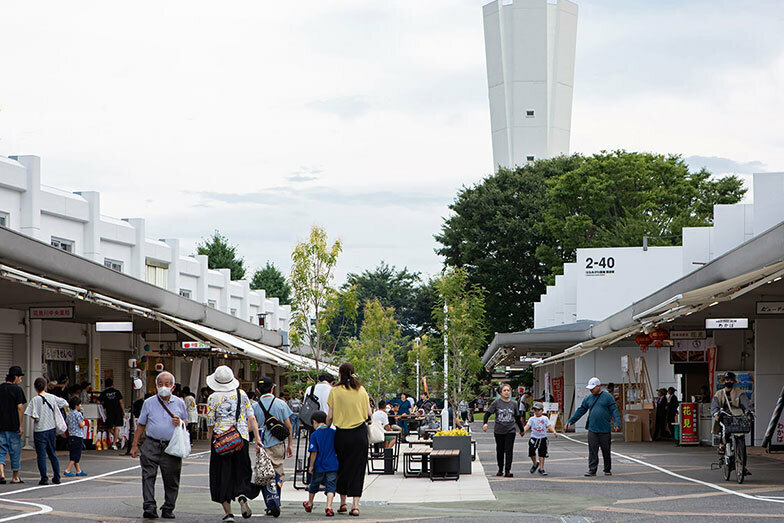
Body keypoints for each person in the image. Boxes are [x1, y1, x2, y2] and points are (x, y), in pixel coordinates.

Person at [206, 366, 262, 522]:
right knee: (242, 471)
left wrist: (212, 439)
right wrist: (257, 438)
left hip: (221, 440)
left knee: (221, 475)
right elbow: (252, 418)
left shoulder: (212, 398)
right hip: (240, 438)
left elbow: (210, 423)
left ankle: (229, 513)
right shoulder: (241, 394)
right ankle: (243, 495)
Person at [130, 371, 188, 519]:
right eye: (160, 384)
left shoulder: (180, 403)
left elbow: (186, 422)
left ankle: (168, 507)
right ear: (156, 386)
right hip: (151, 444)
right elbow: (141, 425)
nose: (163, 387)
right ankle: (149, 506)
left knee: (172, 478)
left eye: (167, 384)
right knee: (148, 476)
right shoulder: (148, 403)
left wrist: (180, 422)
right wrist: (134, 445)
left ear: (173, 387)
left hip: (171, 446)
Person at [326, 362, 371, 517]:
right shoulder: (361, 390)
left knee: (342, 467)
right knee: (358, 469)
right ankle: (356, 506)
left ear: (339, 374)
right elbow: (369, 413)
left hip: (342, 435)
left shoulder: (335, 391)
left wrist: (326, 428)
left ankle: (343, 502)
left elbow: (330, 416)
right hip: (359, 434)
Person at [566, 377, 621, 477]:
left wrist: (617, 423)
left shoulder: (607, 397)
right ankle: (592, 470)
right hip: (592, 428)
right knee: (592, 450)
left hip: (605, 429)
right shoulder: (588, 398)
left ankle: (607, 469)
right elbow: (581, 410)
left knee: (606, 450)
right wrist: (571, 421)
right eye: (590, 388)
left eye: (593, 388)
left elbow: (614, 410)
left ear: (598, 386)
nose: (591, 390)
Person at [253, 377, 294, 498]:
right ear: (272, 388)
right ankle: (277, 499)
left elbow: (250, 426)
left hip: (261, 445)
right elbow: (289, 427)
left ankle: (269, 502)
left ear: (257, 390)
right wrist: (290, 445)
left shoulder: (254, 407)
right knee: (278, 473)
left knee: (264, 473)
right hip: (277, 444)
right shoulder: (281, 404)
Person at [25, 376, 68, 485]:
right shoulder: (52, 397)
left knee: (41, 455)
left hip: (40, 431)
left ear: (35, 388)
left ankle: (44, 479)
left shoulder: (34, 400)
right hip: (51, 429)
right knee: (52, 453)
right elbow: (64, 403)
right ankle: (57, 477)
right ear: (45, 386)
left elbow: (33, 415)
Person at [711, 371, 755, 475]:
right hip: (725, 416)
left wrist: (751, 411)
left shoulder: (739, 392)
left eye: (731, 380)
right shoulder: (719, 393)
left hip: (737, 417)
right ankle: (722, 445)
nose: (729, 381)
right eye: (727, 380)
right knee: (724, 430)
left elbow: (745, 403)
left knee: (741, 440)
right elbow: (715, 405)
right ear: (724, 381)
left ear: (734, 381)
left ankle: (742, 465)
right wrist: (715, 413)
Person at [483, 383, 525, 477]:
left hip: (510, 430)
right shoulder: (496, 403)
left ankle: (507, 471)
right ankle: (500, 469)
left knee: (509, 450)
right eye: (504, 390)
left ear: (510, 392)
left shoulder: (513, 403)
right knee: (500, 450)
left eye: (508, 390)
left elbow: (517, 418)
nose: (506, 392)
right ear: (501, 392)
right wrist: (485, 423)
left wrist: (522, 430)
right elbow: (487, 414)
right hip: (499, 430)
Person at [302, 411, 339, 517]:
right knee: (331, 486)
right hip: (332, 464)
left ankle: (309, 503)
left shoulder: (315, 435)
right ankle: (329, 507)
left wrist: (311, 465)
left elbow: (314, 452)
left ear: (314, 422)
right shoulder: (333, 432)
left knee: (314, 483)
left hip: (319, 465)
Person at [0, 365, 26, 484]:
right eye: (20, 377)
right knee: (15, 451)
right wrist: (20, 425)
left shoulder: (0, 388)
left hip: (1, 426)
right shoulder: (17, 390)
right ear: (15, 377)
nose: (21, 380)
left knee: (1, 450)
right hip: (13, 426)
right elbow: (20, 408)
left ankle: (2, 473)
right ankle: (15, 477)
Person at [522, 402, 557, 476]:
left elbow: (549, 426)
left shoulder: (545, 418)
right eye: (535, 410)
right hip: (534, 437)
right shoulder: (532, 419)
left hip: (542, 438)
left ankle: (541, 468)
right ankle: (535, 463)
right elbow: (527, 426)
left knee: (542, 453)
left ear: (542, 410)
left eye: (538, 410)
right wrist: (523, 431)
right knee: (531, 451)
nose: (537, 412)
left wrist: (554, 431)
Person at [98, 377, 125, 450]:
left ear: (105, 385)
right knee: (117, 427)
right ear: (113, 384)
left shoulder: (104, 393)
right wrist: (123, 411)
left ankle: (115, 442)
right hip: (118, 411)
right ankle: (116, 442)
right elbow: (121, 402)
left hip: (109, 412)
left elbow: (98, 402)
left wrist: (105, 403)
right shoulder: (117, 392)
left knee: (108, 427)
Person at [63, 396, 87, 477]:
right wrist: (84, 422)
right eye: (80, 404)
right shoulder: (78, 414)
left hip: (71, 436)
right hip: (78, 436)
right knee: (76, 455)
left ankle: (78, 471)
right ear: (76, 405)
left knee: (73, 453)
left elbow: (67, 422)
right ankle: (68, 470)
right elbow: (81, 424)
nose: (81, 406)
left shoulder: (69, 414)